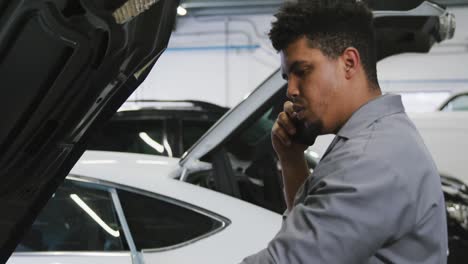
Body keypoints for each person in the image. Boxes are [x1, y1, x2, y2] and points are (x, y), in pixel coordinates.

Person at [241, 1, 448, 263]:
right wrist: (292, 159)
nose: (291, 90)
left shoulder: (368, 160)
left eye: (301, 72)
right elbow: (308, 228)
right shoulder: (379, 135)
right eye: (287, 77)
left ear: (349, 63)